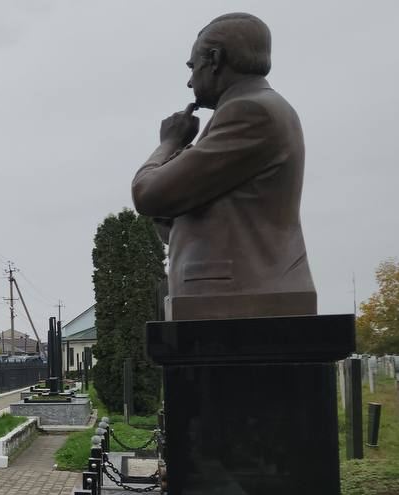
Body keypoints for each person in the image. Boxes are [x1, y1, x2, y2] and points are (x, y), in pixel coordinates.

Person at [131, 13, 315, 321]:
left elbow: (147, 194)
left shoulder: (251, 111)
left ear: (215, 59)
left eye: (193, 67)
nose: (190, 81)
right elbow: (187, 218)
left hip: (240, 291)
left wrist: (169, 143)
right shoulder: (247, 110)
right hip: (238, 289)